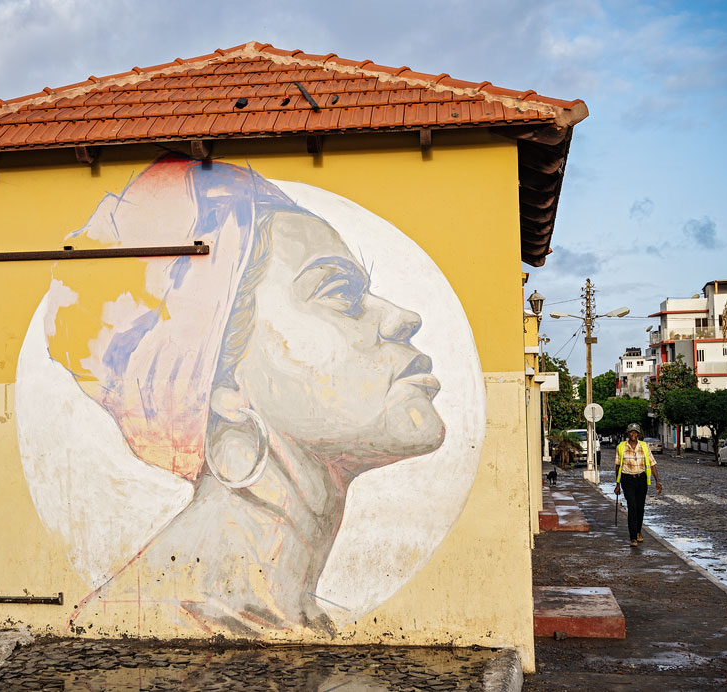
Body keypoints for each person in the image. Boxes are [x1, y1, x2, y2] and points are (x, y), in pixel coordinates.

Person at [46, 155, 447, 635]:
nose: (404, 316)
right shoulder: (152, 623)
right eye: (340, 292)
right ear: (227, 385)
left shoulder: (300, 619)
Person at [614, 423, 662, 547]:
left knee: (640, 508)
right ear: (628, 433)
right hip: (627, 479)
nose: (633, 434)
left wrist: (657, 481)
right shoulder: (621, 447)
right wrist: (617, 484)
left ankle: (639, 530)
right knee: (632, 507)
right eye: (631, 432)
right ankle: (633, 537)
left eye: (635, 432)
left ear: (638, 434)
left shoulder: (645, 447)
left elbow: (652, 464)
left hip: (641, 479)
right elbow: (617, 465)